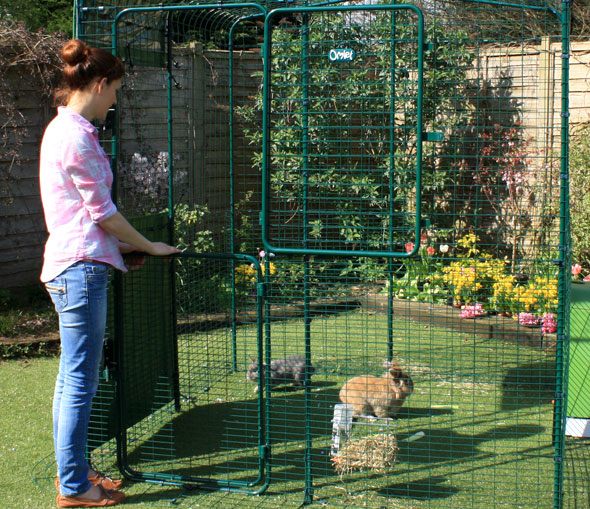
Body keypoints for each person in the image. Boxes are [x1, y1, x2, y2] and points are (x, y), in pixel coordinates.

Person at [39, 39, 180, 508]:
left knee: (71, 379)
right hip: (78, 271)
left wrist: (118, 250)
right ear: (99, 85)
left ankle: (74, 473)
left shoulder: (65, 130)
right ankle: (76, 488)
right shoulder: (76, 136)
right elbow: (102, 213)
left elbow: (78, 215)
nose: (117, 99)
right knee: (80, 381)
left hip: (76, 263)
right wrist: (147, 244)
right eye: (116, 89)